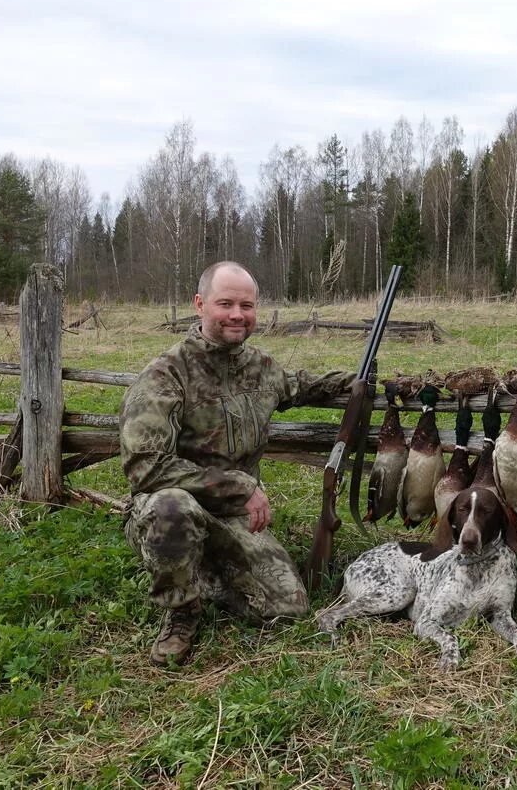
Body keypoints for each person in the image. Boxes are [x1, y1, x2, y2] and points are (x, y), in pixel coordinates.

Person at [120, 262, 354, 666]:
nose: (237, 315)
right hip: (172, 507)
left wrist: (357, 381)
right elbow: (145, 468)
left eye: (246, 305)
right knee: (171, 506)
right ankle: (182, 611)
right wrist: (239, 486)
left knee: (289, 609)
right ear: (200, 304)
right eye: (224, 303)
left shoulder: (261, 367)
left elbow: (301, 385)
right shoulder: (165, 374)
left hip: (235, 517)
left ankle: (206, 570)